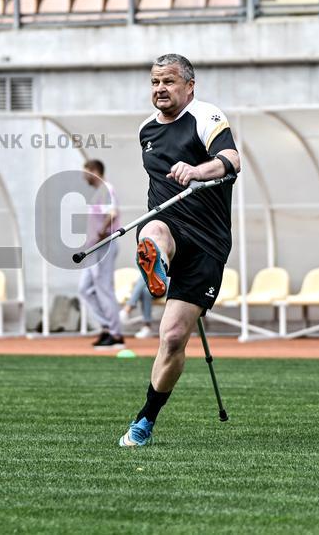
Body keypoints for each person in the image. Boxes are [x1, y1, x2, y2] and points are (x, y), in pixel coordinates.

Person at [119, 53, 241, 447]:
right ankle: (157, 264)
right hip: (169, 224)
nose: (160, 89)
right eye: (155, 82)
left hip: (207, 242)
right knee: (152, 228)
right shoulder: (146, 131)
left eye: (168, 82)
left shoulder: (206, 117)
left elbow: (232, 160)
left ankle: (145, 420)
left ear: (189, 85)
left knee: (171, 338)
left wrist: (196, 170)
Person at [77, 159, 124, 349]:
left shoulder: (106, 189)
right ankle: (106, 327)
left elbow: (112, 214)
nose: (83, 176)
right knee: (84, 288)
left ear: (95, 171)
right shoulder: (98, 192)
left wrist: (100, 233)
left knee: (104, 288)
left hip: (103, 246)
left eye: (85, 172)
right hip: (93, 248)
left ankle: (116, 335)